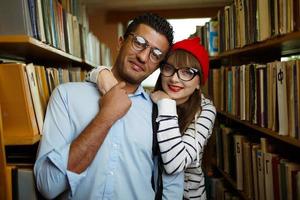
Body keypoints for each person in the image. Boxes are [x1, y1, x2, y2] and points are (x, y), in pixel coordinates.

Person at [34, 13, 184, 200]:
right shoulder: (66, 96)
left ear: (158, 67)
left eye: (156, 55)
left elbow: (172, 186)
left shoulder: (159, 113)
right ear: (121, 42)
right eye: (139, 42)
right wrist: (106, 116)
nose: (143, 57)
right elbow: (47, 186)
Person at [88, 37, 216, 200]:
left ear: (199, 82)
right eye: (169, 68)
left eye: (187, 72)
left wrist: (166, 104)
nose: (174, 79)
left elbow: (175, 163)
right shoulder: (150, 100)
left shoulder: (205, 109)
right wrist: (100, 73)